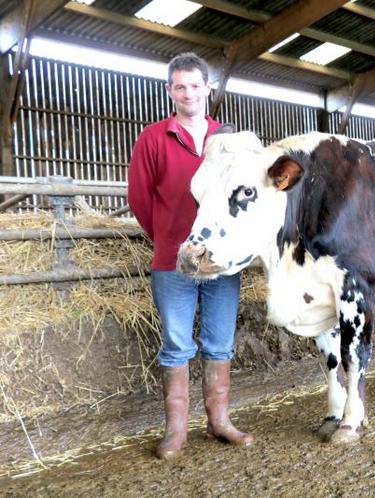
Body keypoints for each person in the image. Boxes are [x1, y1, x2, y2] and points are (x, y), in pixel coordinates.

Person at [127, 52, 253, 459]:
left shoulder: (229, 140)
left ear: (207, 89)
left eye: (195, 85)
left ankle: (219, 422)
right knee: (177, 344)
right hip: (173, 259)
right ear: (170, 91)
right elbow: (140, 199)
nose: (188, 93)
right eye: (179, 86)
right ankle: (176, 430)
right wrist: (167, 238)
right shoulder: (152, 138)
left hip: (219, 259)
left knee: (219, 342)